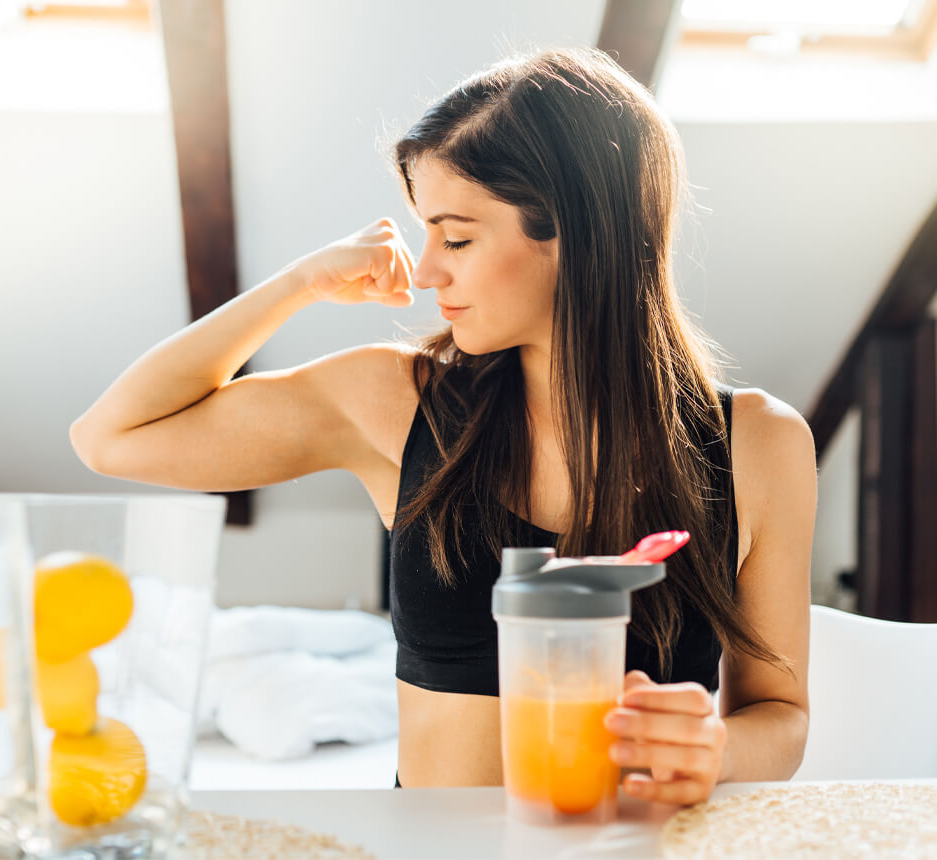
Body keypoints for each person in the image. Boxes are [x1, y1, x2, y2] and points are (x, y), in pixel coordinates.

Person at [70, 46, 816, 804]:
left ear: (578, 234)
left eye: (456, 237)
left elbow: (780, 717)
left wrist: (712, 748)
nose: (425, 272)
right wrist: (300, 285)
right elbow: (112, 437)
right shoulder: (391, 402)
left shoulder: (758, 444)